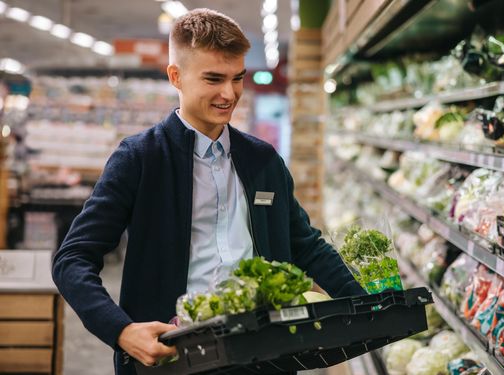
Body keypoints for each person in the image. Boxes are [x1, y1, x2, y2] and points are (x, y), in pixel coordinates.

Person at [52, 8, 364, 375]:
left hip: (265, 354)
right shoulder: (141, 157)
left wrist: (368, 303)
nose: (229, 93)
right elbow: (72, 259)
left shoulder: (262, 160)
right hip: (174, 356)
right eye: (213, 79)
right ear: (176, 77)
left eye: (237, 78)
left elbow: (306, 244)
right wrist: (121, 330)